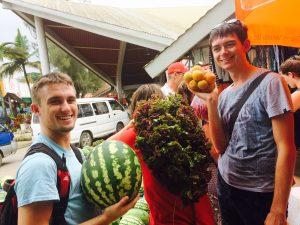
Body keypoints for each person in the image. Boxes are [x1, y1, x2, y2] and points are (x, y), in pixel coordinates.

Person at [192, 19, 296, 225]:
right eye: (217, 48)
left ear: (246, 46)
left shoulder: (271, 82)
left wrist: (278, 209)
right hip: (227, 185)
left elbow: (287, 148)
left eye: (230, 44)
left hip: (260, 193)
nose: (223, 52)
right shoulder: (224, 94)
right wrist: (211, 101)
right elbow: (221, 147)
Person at [14, 72, 138, 225]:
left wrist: (129, 128)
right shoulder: (39, 165)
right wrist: (106, 218)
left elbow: (100, 150)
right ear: (36, 109)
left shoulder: (74, 153)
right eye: (55, 101)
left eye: (70, 100)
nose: (66, 108)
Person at [110, 83, 215, 225]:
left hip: (169, 216)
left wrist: (128, 127)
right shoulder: (181, 125)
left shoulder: (137, 133)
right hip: (198, 210)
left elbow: (105, 148)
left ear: (135, 110)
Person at [280, 55, 300, 185]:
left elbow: (281, 114)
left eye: (284, 78)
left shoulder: (298, 94)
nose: (285, 82)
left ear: (291, 74)